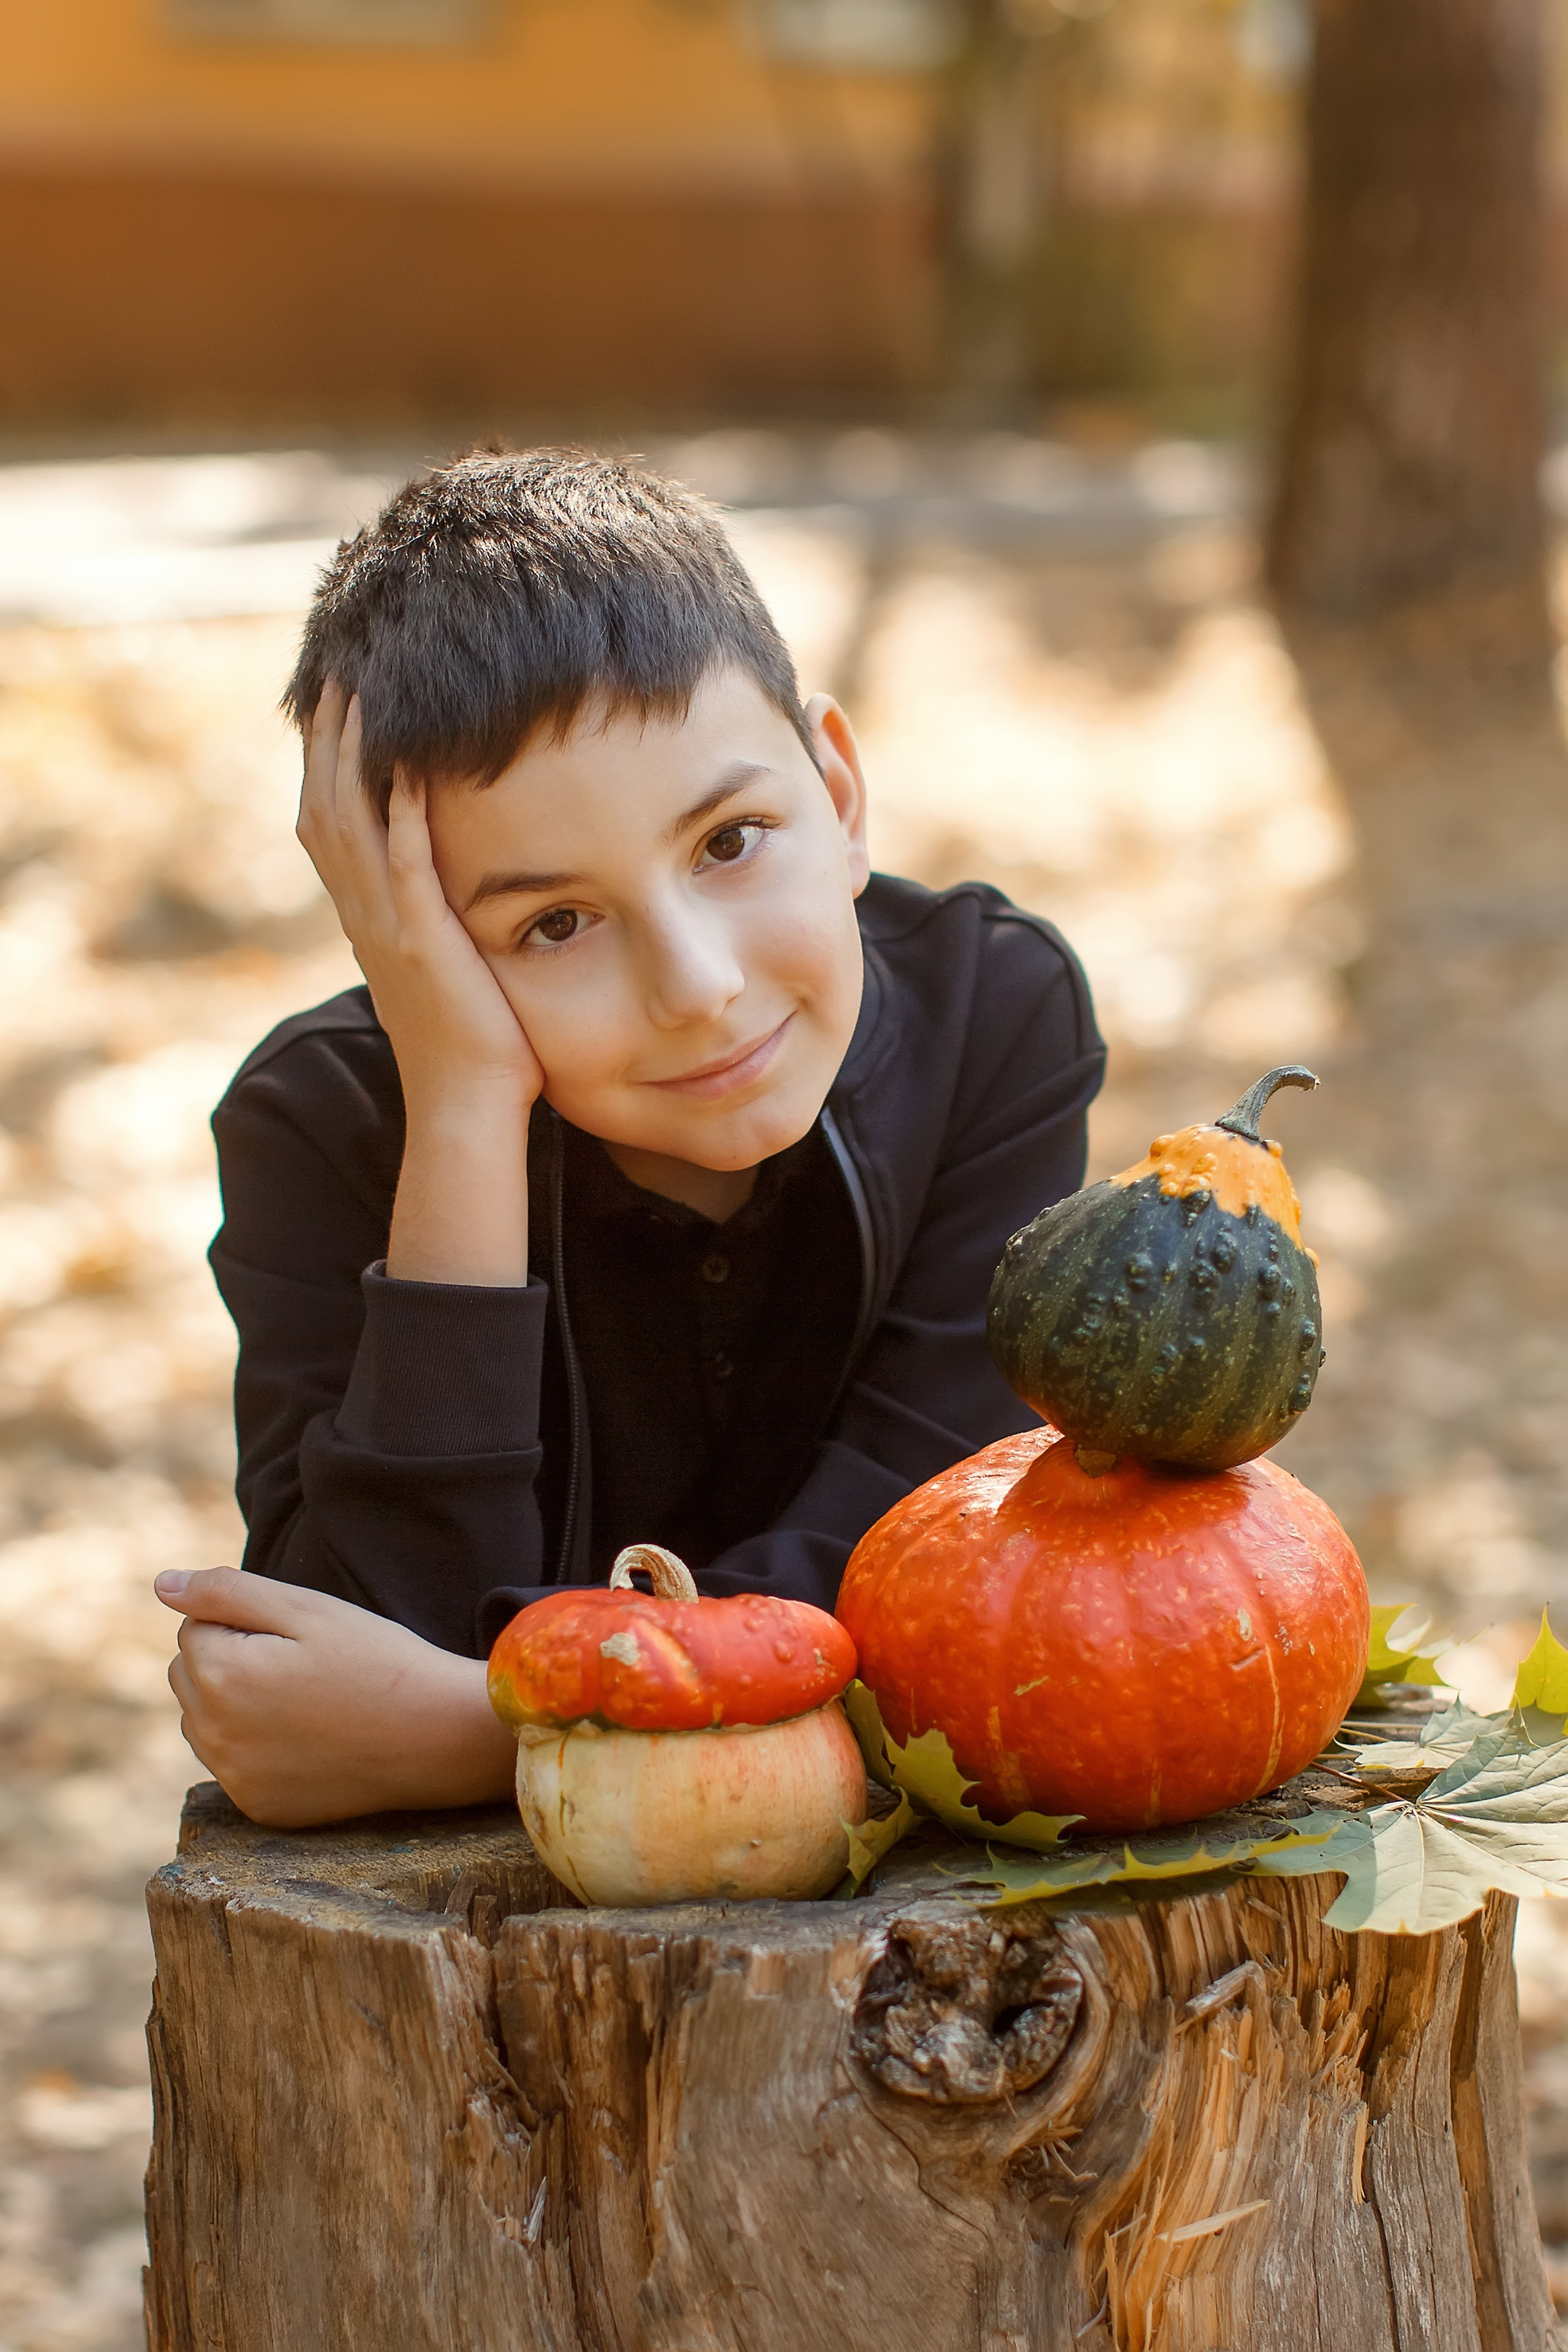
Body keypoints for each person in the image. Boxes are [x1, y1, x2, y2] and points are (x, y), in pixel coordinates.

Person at [155, 449, 1104, 1826]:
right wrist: (465, 1107)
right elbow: (360, 1626)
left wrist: (482, 1732)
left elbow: (927, 1571)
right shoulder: (328, 1127)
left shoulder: (991, 1017)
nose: (698, 986)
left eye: (728, 842)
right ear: (411, 950)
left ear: (835, 792)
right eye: (551, 924)